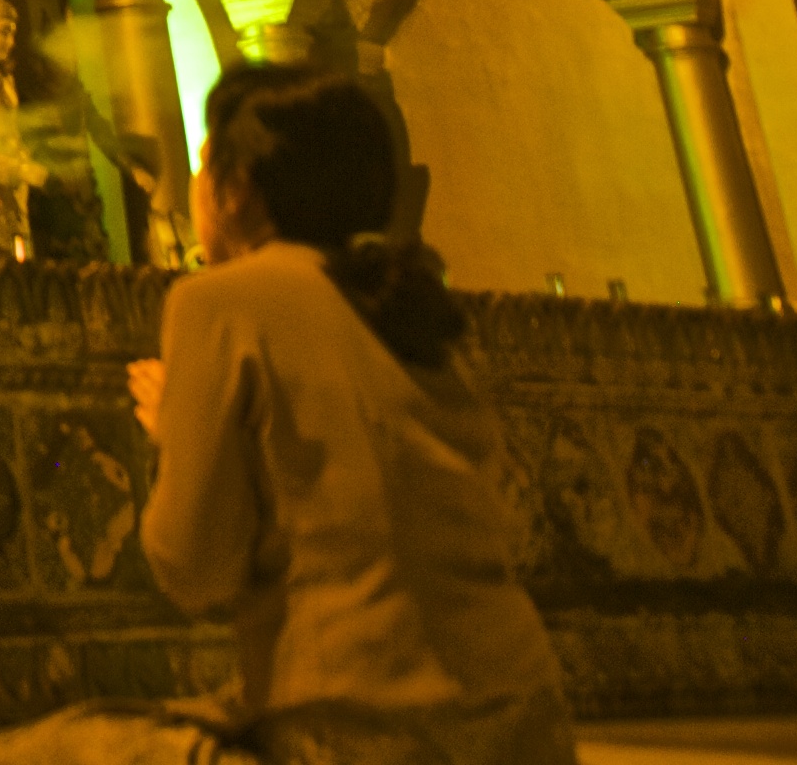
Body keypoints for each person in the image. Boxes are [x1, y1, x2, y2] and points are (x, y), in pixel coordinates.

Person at [120, 65, 574, 765]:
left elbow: (194, 568)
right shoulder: (407, 306)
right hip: (523, 719)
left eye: (206, 164)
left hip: (359, 731)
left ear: (239, 190)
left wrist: (172, 440)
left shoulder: (218, 302)